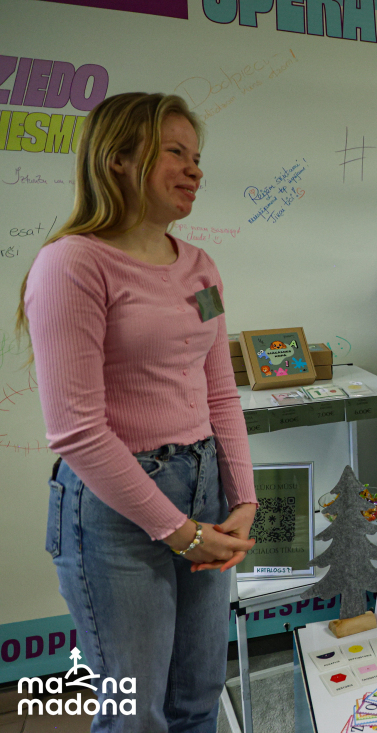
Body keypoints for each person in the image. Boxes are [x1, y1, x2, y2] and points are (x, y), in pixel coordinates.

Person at [18, 92, 257, 732]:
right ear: (118, 159)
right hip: (117, 509)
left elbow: (220, 393)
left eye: (197, 156)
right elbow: (78, 433)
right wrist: (179, 531)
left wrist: (243, 500)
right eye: (175, 152)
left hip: (204, 491)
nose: (195, 170)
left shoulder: (200, 269)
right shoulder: (73, 263)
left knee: (198, 700)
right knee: (137, 717)